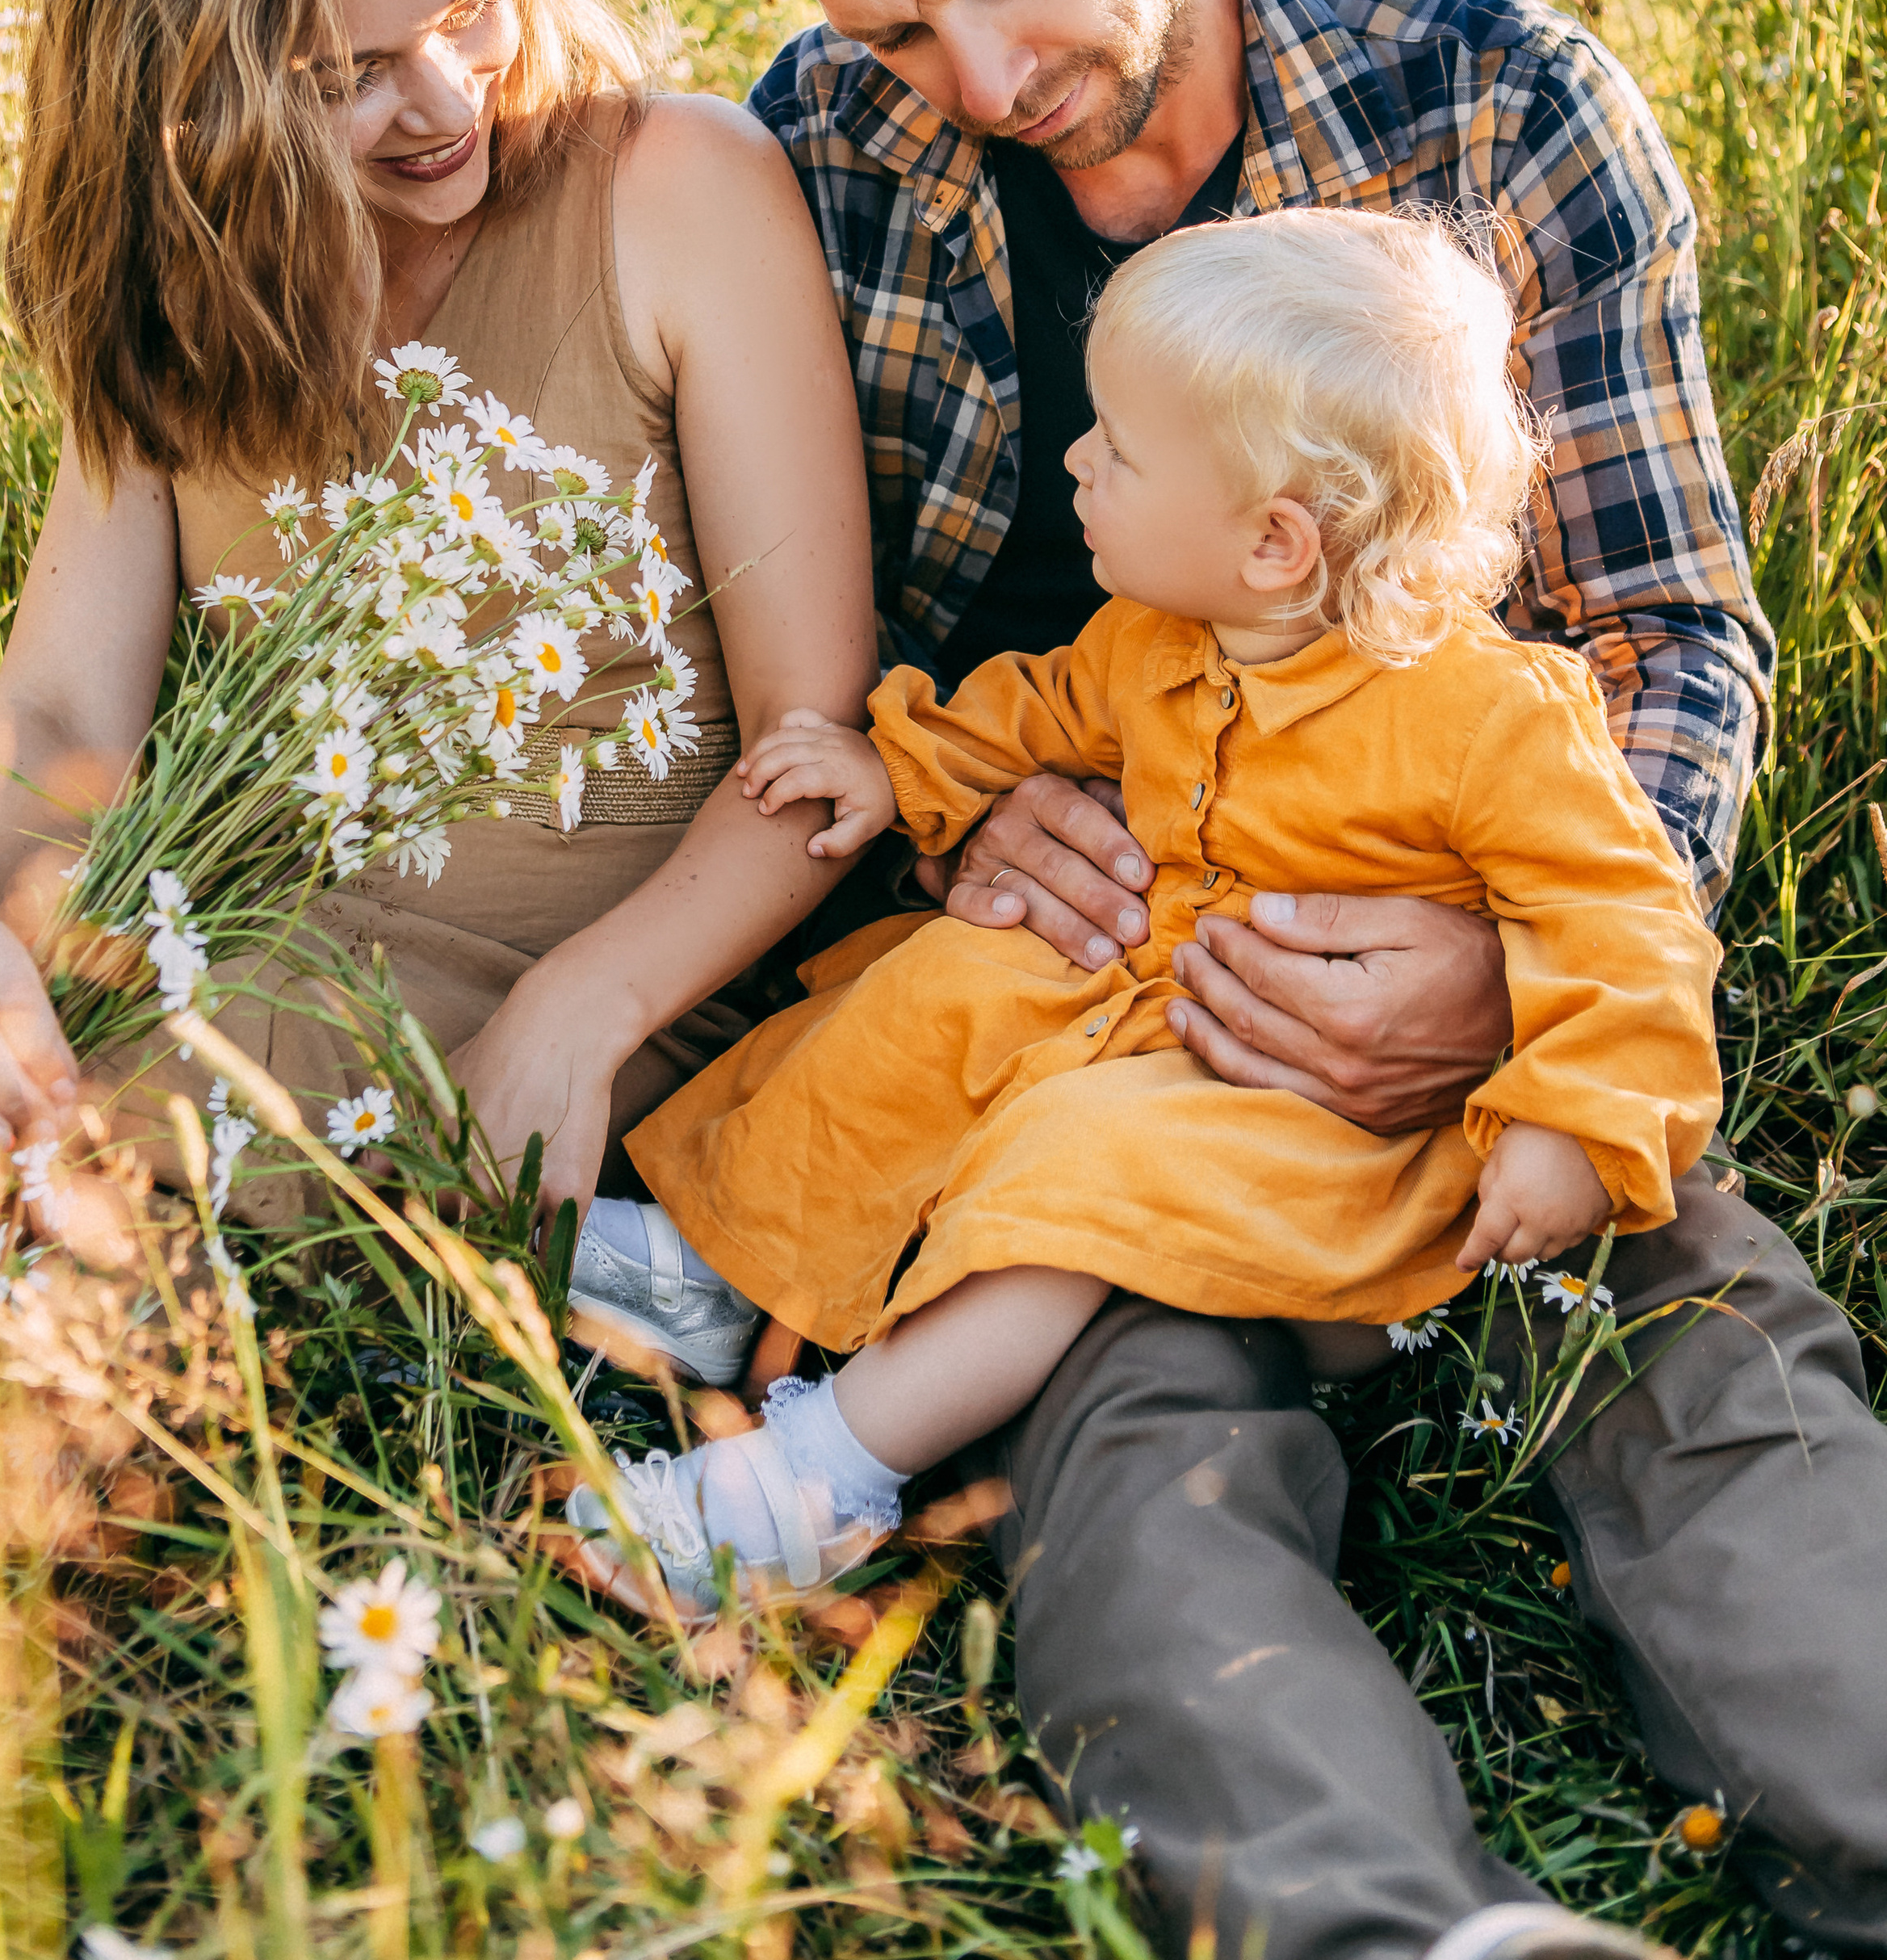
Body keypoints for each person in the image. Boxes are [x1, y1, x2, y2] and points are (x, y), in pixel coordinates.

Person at [675, 0, 1887, 1960]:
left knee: (1697, 1352)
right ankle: (1404, 1937)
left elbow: (1665, 629)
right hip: (1112, 1031)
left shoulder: (1490, 102)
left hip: (1474, 931)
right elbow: (802, 655)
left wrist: (1507, 975)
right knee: (1118, 1463)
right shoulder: (808, 159)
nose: (985, 75)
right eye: (897, 26)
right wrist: (958, 827)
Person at [565, 208, 1722, 1612]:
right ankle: (728, 1268)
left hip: (1313, 1120)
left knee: (1077, 1162)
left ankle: (823, 1476)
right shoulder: (1161, 638)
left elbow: (1628, 925)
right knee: (946, 989)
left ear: (1275, 541)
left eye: (1116, 449)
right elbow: (1033, 712)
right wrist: (897, 767)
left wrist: (1569, 1122)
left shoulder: (1490, 720)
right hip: (1141, 1000)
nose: (1077, 460)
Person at [0, 0, 874, 1222]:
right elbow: (61, 707)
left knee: (31, 1146)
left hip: (558, 982)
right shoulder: (179, 279)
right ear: (189, 95)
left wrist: (578, 1010)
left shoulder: (673, 190)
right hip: (206, 899)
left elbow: (813, 742)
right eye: (340, 75)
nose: (446, 104)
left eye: (468, 2)